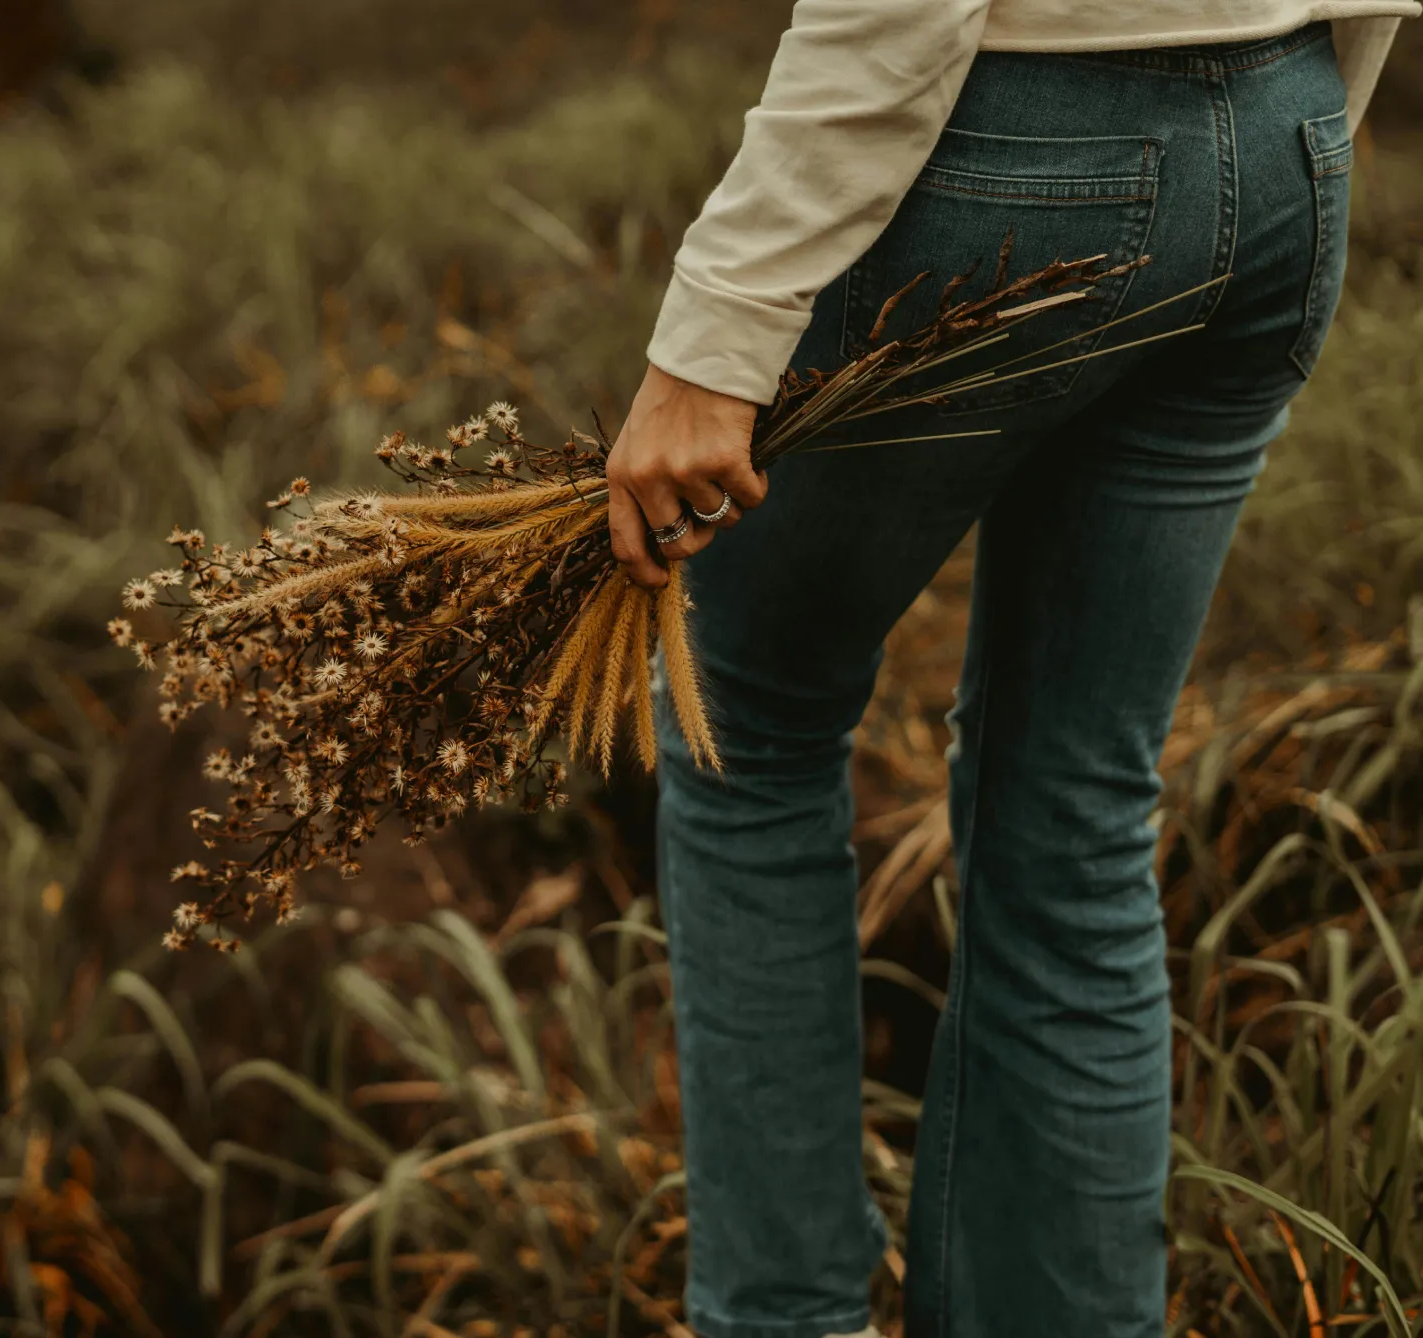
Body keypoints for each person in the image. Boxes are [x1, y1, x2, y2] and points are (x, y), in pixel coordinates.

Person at [604, 4, 1415, 1336]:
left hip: (1022, 139)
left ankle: (786, 1316)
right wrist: (1300, 107)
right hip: (1285, 137)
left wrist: (721, 324)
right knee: (1078, 817)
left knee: (741, 722)